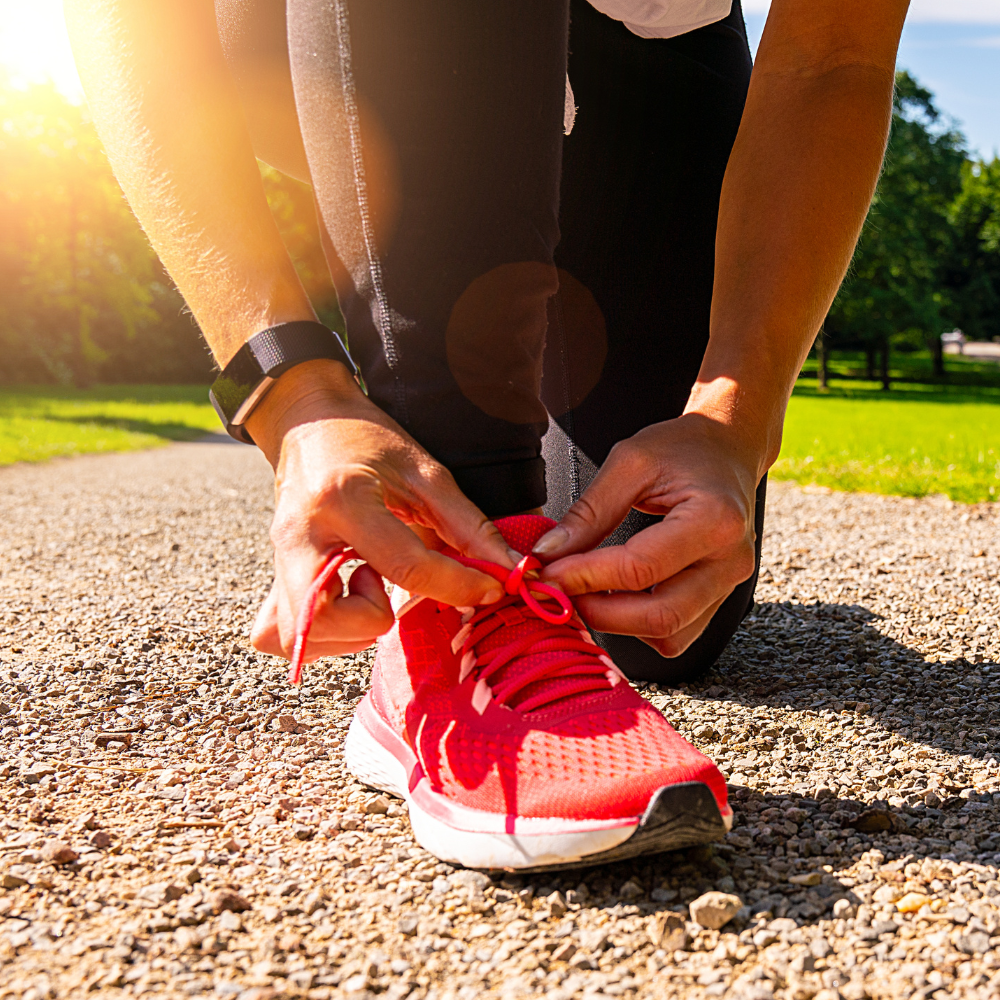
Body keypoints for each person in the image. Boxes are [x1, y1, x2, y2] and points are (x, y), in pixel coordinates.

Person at [65, 0, 909, 869]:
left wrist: (735, 417)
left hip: (644, 48)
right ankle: (442, 614)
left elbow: (834, 58)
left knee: (652, 605)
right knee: (501, 567)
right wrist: (292, 391)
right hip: (325, 43)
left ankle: (516, 300)